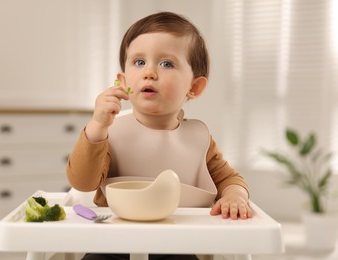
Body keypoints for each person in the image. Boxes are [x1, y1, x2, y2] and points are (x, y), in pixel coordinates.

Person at [66, 11, 253, 260]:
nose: (150, 72)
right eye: (139, 62)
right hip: (112, 245)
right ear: (122, 81)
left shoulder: (198, 138)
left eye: (166, 64)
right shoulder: (109, 133)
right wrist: (97, 127)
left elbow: (229, 178)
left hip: (176, 247)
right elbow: (82, 181)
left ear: (194, 87)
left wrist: (234, 196)